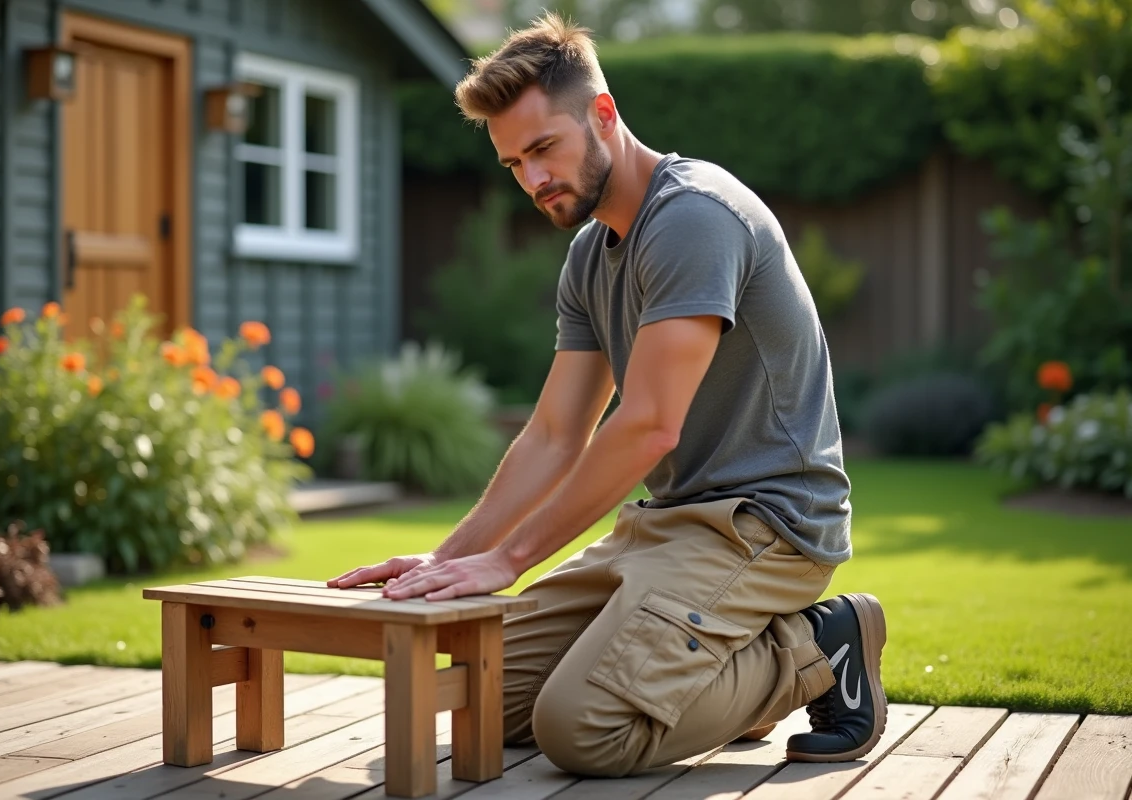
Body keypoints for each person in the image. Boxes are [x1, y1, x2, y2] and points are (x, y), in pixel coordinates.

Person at [329, 12, 887, 778]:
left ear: (602, 113)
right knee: (479, 702)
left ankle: (815, 642)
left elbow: (649, 425)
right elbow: (557, 431)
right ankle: (713, 655)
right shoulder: (591, 254)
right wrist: (452, 558)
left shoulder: (693, 217)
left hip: (766, 527)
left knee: (582, 731)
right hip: (664, 528)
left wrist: (514, 558)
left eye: (542, 149)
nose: (532, 180)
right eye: (513, 164)